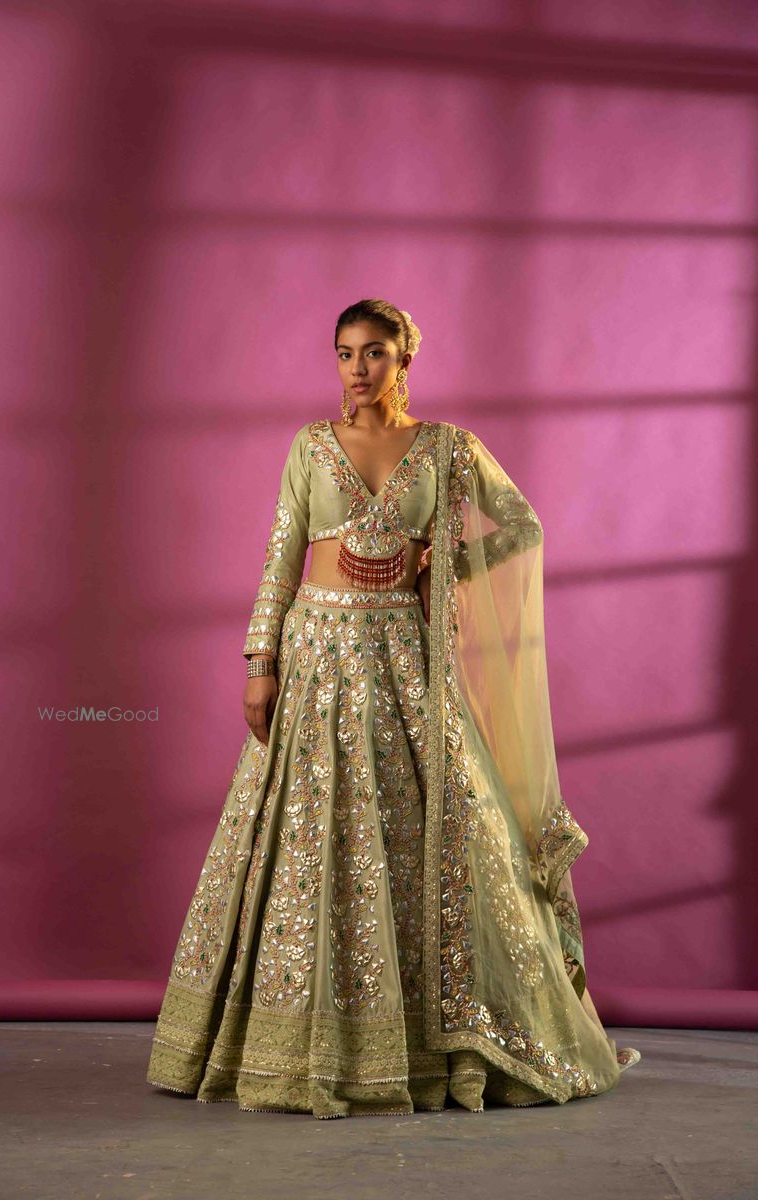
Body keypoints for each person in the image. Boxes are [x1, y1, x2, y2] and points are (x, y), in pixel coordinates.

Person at [146, 298, 641, 1118]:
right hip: (316, 655)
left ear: (404, 358)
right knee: (309, 835)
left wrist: (444, 564)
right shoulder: (310, 446)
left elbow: (521, 527)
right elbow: (280, 556)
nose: (357, 368)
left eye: (374, 352)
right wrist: (259, 663)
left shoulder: (446, 448)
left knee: (426, 832)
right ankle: (293, 1045)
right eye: (345, 353)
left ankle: (433, 1044)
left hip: (406, 658)